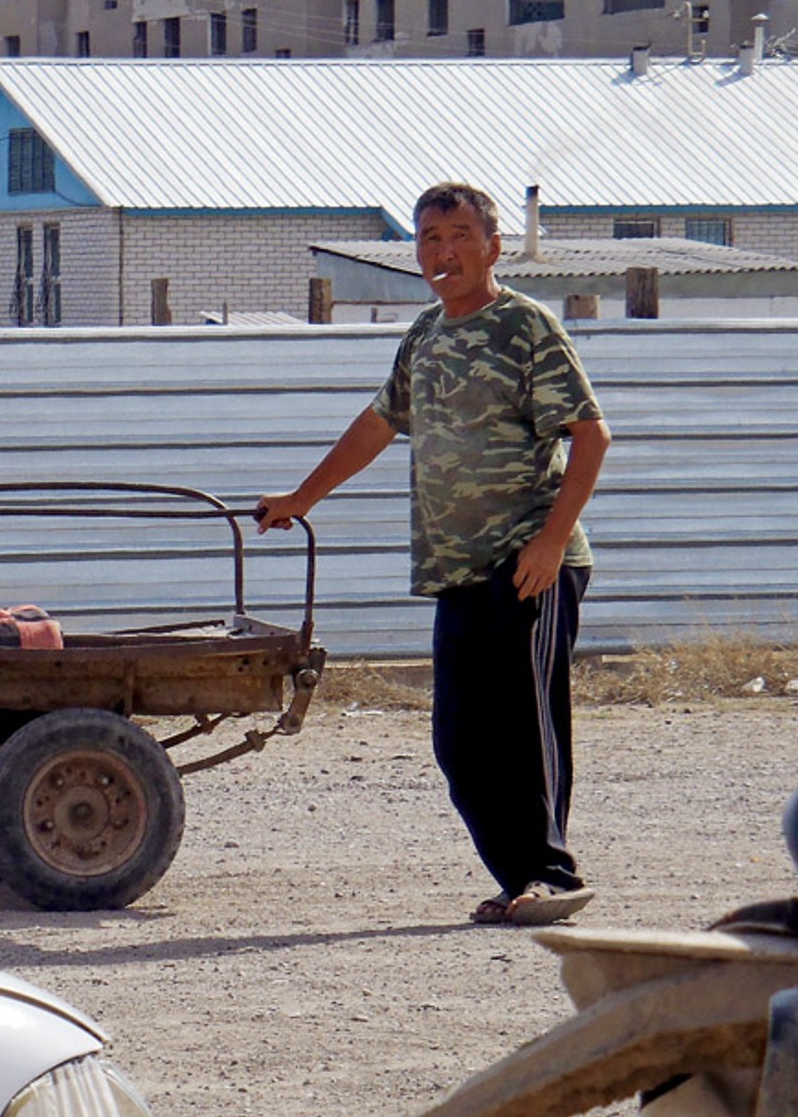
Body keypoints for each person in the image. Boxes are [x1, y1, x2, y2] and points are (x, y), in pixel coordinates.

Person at [257, 182, 612, 927]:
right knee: (459, 740)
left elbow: (590, 435)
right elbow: (378, 423)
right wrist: (302, 498)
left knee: (524, 728)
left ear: (493, 247)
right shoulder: (425, 334)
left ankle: (550, 875)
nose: (443, 252)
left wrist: (551, 541)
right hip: (457, 570)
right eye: (429, 238)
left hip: (527, 562)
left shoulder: (524, 326)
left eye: (458, 236)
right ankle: (519, 878)